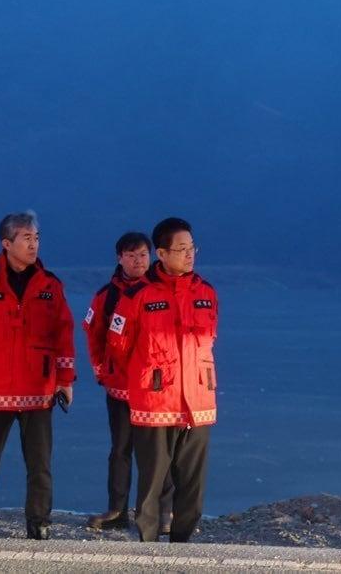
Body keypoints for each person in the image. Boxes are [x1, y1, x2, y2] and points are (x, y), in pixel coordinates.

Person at [0, 211, 75, 540]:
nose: (34, 244)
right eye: (26, 238)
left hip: (39, 388)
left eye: (37, 237)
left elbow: (64, 334)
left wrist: (65, 379)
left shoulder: (51, 285)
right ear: (6, 244)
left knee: (40, 466)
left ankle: (39, 525)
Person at [107, 217, 217, 543]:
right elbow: (118, 342)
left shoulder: (206, 292)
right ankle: (148, 549)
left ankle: (182, 545)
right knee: (153, 481)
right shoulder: (138, 294)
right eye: (181, 249)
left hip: (198, 402)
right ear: (162, 253)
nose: (189, 254)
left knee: (193, 483)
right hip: (155, 401)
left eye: (192, 247)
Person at [83, 232, 172, 530]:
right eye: (132, 255)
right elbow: (93, 335)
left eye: (143, 254)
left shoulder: (165, 291)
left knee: (160, 452)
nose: (138, 261)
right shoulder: (105, 296)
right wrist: (101, 372)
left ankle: (163, 514)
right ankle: (117, 511)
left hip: (157, 388)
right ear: (120, 258)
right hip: (120, 387)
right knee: (120, 449)